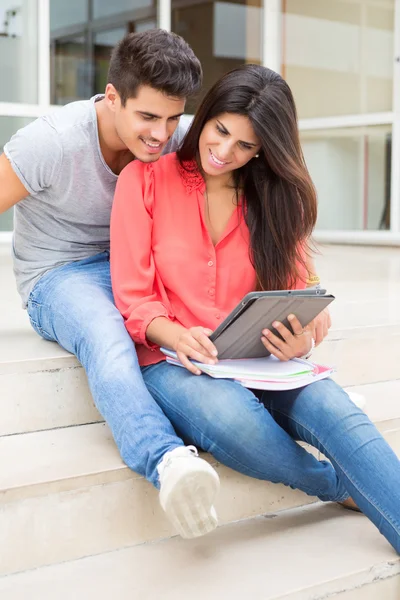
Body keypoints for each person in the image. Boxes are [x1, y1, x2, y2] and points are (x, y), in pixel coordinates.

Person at [110, 64, 400, 553]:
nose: (225, 153)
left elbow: (304, 295)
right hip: (177, 360)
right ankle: (337, 484)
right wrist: (175, 334)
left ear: (265, 148)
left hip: (265, 361)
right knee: (239, 422)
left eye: (245, 145)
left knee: (342, 416)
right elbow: (134, 298)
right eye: (220, 131)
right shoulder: (143, 180)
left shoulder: (273, 198)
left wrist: (302, 339)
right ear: (205, 117)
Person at [0, 29, 222, 540]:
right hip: (59, 275)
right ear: (113, 97)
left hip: (140, 265)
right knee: (108, 334)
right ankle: (165, 460)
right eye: (147, 118)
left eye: (172, 118)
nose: (161, 134)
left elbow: (265, 176)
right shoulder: (50, 141)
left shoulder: (180, 133)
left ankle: (294, 394)